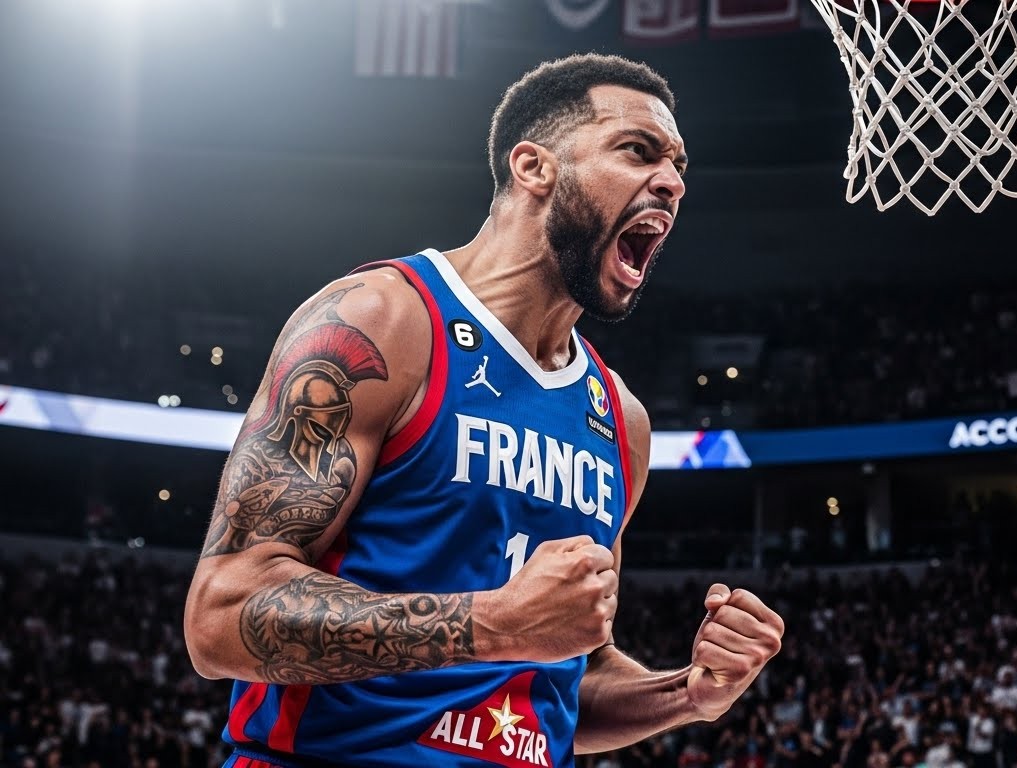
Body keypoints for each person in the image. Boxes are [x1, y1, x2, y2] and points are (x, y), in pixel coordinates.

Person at [183, 53, 785, 767]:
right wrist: (496, 623)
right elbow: (219, 619)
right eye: (637, 150)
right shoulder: (382, 321)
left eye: (679, 165)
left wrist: (687, 694)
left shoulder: (620, 421)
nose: (673, 182)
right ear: (533, 167)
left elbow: (570, 680)